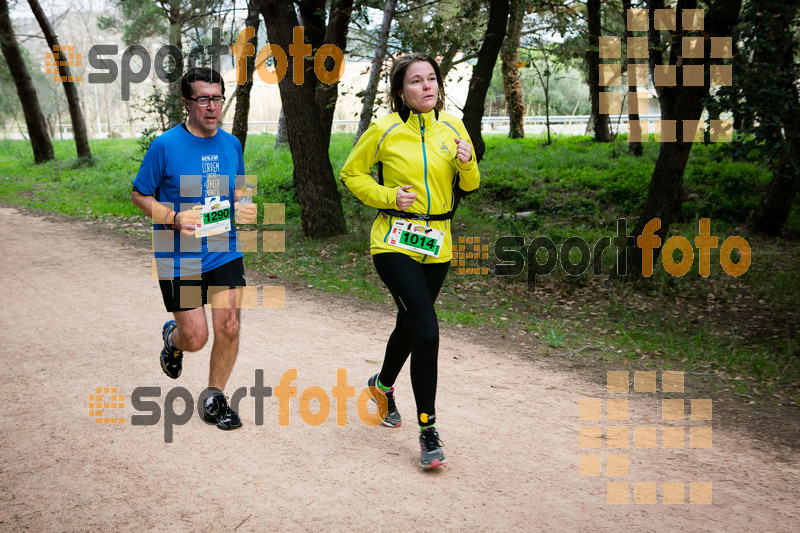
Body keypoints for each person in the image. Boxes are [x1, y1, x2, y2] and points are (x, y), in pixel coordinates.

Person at [339, 53, 479, 469]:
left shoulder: (452, 126)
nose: (427, 86)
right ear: (401, 91)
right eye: (416, 81)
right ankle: (428, 429)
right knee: (428, 331)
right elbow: (351, 174)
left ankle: (381, 387)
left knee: (410, 322)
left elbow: (469, 185)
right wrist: (388, 197)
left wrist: (467, 164)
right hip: (394, 241)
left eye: (431, 79)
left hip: (438, 243)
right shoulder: (384, 129)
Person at [131, 67, 257, 431]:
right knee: (196, 338)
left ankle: (215, 397)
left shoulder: (231, 144)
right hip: (178, 253)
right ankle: (174, 338)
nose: (212, 106)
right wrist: (171, 217)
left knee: (230, 324)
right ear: (186, 103)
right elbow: (139, 193)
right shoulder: (165, 146)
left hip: (224, 247)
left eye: (217, 98)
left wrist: (245, 203)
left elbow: (240, 187)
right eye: (203, 99)